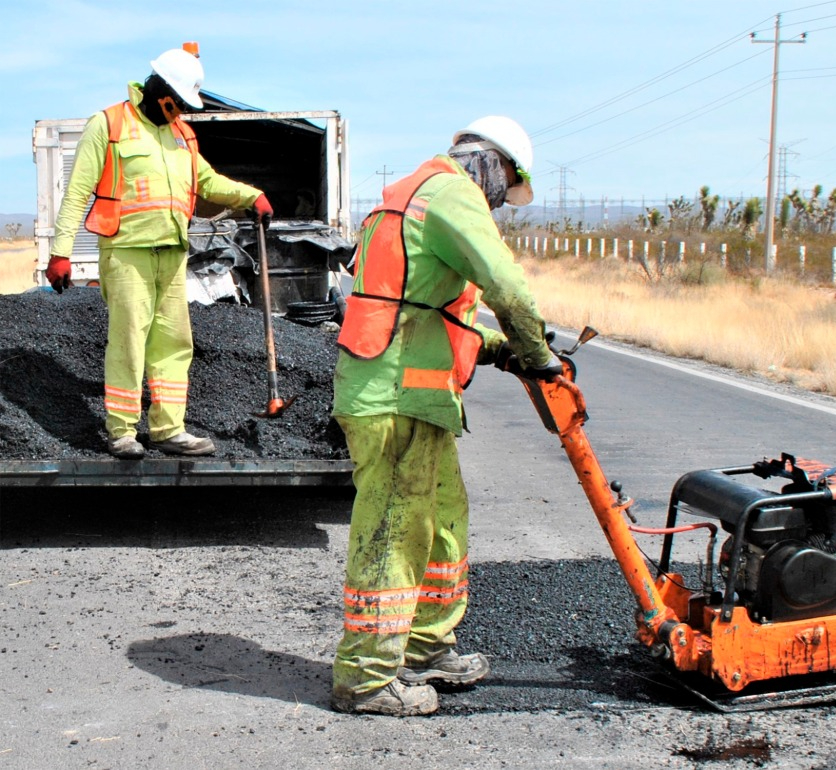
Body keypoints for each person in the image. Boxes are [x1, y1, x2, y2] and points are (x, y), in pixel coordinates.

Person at [330, 116, 562, 717]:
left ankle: (425, 648)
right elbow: (508, 289)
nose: (498, 201)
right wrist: (539, 358)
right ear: (489, 163)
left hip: (413, 394)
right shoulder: (452, 193)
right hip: (394, 395)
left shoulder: (413, 193)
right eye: (504, 184)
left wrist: (499, 349)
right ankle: (366, 679)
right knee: (395, 533)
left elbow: (426, 310)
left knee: (443, 520)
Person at [44, 45, 273, 459]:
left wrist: (251, 196)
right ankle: (123, 432)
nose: (181, 112)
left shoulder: (181, 135)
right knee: (130, 339)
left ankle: (168, 429)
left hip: (172, 254)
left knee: (173, 341)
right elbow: (78, 192)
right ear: (159, 90)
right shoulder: (109, 125)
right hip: (126, 251)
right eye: (178, 103)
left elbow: (207, 182)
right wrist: (60, 252)